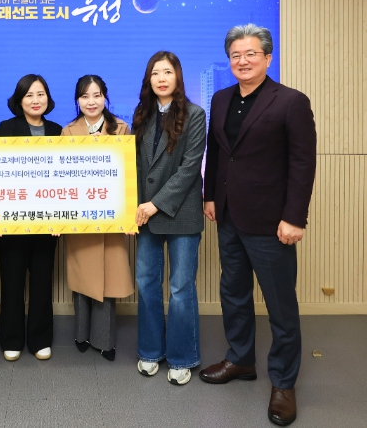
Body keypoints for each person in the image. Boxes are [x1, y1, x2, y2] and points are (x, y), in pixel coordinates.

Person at [201, 24, 316, 426]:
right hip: (229, 215)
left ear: (268, 58)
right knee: (233, 293)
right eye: (235, 55)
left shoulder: (291, 102)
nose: (242, 61)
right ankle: (241, 360)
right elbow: (217, 152)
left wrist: (294, 217)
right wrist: (210, 196)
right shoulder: (220, 99)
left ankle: (283, 382)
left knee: (280, 305)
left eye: (251, 54)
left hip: (272, 220)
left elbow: (303, 163)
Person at [132, 52, 206, 384]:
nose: (161, 78)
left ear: (178, 77)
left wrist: (155, 204)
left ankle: (181, 357)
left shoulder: (195, 114)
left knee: (180, 287)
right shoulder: (142, 114)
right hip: (144, 214)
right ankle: (150, 351)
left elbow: (190, 168)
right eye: (155, 73)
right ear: (148, 80)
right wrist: (134, 208)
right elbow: (134, 167)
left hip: (181, 213)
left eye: (167, 72)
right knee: (147, 284)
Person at [61, 75, 135, 361]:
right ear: (77, 101)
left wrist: (128, 216)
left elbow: (130, 174)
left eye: (96, 95)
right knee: (83, 278)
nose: (91, 102)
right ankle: (81, 334)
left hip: (111, 217)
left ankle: (105, 340)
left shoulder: (121, 128)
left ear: (105, 97)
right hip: (79, 217)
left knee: (108, 280)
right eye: (84, 96)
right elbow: (60, 177)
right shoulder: (68, 131)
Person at [0, 74, 62, 362]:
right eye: (29, 95)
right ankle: (11, 338)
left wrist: (63, 218)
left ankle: (40, 339)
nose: (36, 100)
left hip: (48, 222)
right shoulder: (5, 128)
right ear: (19, 100)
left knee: (42, 281)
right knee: (11, 281)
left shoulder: (58, 131)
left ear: (48, 98)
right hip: (12, 220)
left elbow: (66, 178)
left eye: (40, 94)